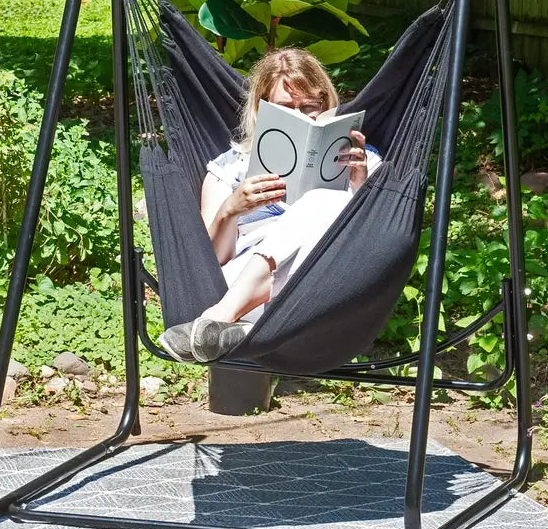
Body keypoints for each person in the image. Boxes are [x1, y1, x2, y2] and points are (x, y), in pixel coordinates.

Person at [158, 47, 381, 364]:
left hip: (326, 281)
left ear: (327, 104)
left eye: (310, 108)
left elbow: (378, 240)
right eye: (287, 109)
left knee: (323, 200)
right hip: (239, 282)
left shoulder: (363, 159)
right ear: (262, 111)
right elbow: (209, 265)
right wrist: (231, 209)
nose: (302, 118)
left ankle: (225, 320)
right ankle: (246, 326)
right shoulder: (228, 169)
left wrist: (360, 183)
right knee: (322, 202)